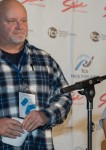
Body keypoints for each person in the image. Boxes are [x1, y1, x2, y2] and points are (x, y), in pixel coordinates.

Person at [0, 0, 72, 149]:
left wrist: (46, 115)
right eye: (12, 21)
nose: (20, 26)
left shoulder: (44, 60)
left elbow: (65, 97)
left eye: (24, 20)